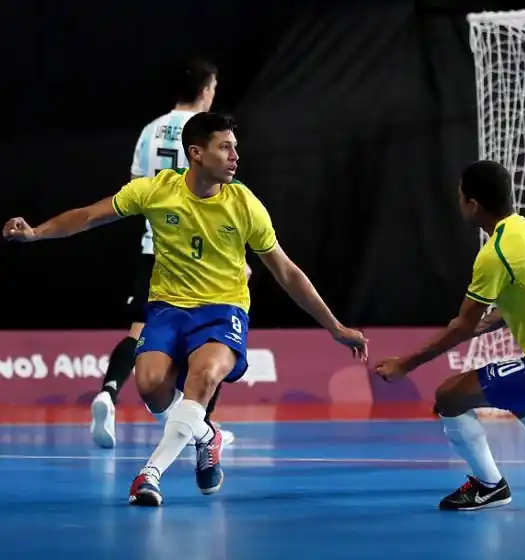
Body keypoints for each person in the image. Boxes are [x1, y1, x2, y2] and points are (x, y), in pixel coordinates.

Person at [3, 112, 368, 507]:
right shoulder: (157, 191)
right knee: (151, 388)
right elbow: (90, 216)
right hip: (167, 309)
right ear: (196, 153)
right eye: (224, 147)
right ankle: (206, 435)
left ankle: (149, 474)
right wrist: (36, 232)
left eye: (235, 148)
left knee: (205, 374)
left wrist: (334, 326)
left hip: (222, 310)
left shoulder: (244, 204)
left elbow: (287, 272)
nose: (235, 156)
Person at [374, 160, 525, 511]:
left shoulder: (494, 253)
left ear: (473, 205)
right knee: (522, 400)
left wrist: (404, 365)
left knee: (449, 397)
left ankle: (489, 486)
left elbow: (463, 327)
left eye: (460, 197)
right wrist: (495, 320)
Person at [90, 57, 239, 449]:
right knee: (205, 337)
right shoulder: (207, 136)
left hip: (153, 245)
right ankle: (202, 428)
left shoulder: (150, 131)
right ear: (206, 89)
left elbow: (134, 189)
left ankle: (108, 390)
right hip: (198, 252)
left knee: (139, 332)